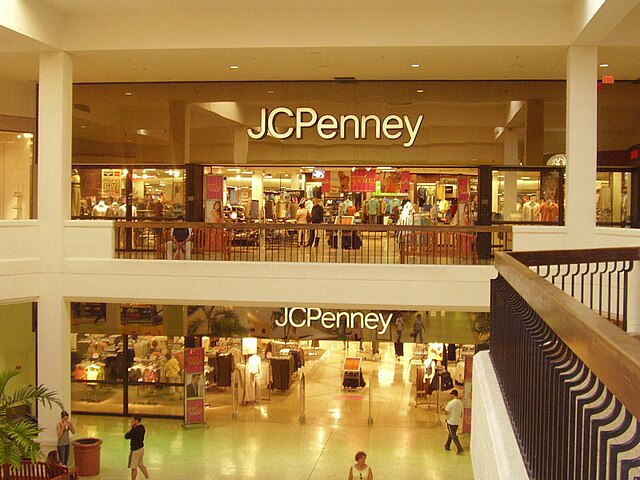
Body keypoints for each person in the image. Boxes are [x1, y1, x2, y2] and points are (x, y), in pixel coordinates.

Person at [125, 414, 150, 480]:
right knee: (141, 464)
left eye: (132, 420)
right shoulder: (142, 427)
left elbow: (126, 436)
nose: (131, 422)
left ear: (136, 421)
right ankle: (147, 477)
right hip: (141, 449)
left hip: (135, 450)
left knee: (133, 468)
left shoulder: (134, 430)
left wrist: (130, 429)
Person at [444, 389, 465, 455]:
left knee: (453, 435)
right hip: (456, 421)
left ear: (453, 395)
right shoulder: (461, 403)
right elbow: (461, 413)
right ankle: (447, 445)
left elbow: (446, 412)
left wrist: (446, 418)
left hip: (451, 421)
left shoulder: (451, 403)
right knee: (451, 434)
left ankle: (460, 448)